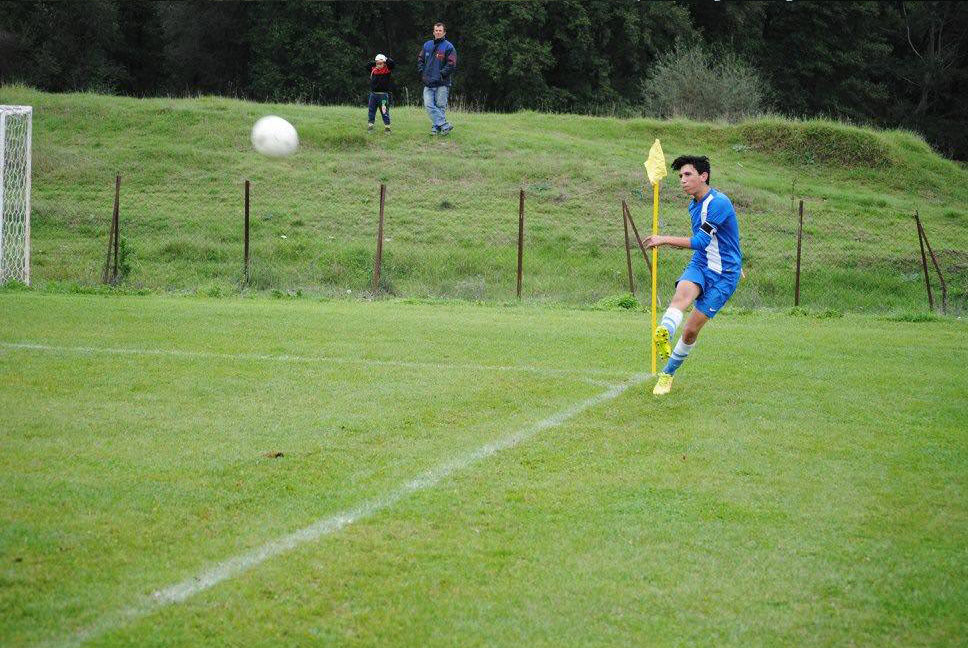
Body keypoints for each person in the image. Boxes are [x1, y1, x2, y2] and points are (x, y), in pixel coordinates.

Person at [644, 155, 743, 396]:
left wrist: (663, 239)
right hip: (701, 263)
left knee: (690, 331)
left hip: (724, 276)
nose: (682, 180)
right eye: (680, 176)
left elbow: (700, 241)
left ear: (703, 176)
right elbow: (713, 241)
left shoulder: (718, 203)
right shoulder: (693, 204)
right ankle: (665, 332)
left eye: (687, 174)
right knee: (682, 295)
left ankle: (667, 374)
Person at [417, 22, 457, 135]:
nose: (438, 32)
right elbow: (420, 60)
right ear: (433, 32)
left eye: (440, 30)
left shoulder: (449, 47)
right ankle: (445, 125)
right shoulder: (427, 45)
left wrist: (441, 74)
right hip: (428, 82)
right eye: (436, 30)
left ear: (444, 32)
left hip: (442, 82)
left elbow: (452, 63)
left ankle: (436, 128)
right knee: (428, 105)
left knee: (440, 106)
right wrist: (422, 73)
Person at [366, 54, 395, 133]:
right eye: (377, 63)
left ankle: (387, 127)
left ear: (384, 63)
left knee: (384, 111)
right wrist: (376, 61)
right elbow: (367, 65)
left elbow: (392, 63)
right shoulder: (373, 69)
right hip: (373, 95)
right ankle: (370, 126)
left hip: (383, 95)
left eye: (380, 63)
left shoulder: (387, 69)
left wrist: (385, 59)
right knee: (371, 110)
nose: (379, 65)